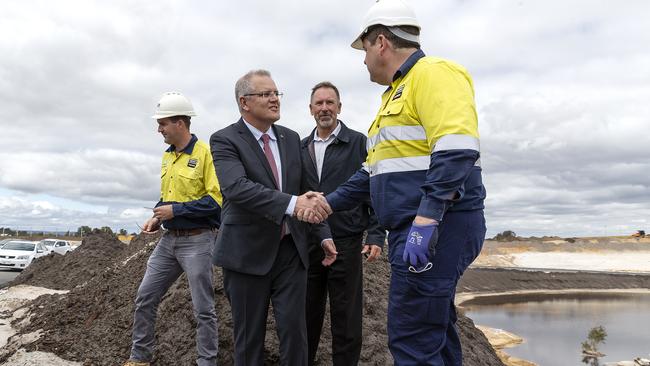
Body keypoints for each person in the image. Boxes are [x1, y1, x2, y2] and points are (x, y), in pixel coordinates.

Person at [320, 1, 487, 364]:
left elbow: (457, 149)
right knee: (434, 331)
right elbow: (373, 172)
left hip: (435, 228)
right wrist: (328, 203)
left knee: (412, 338)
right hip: (415, 229)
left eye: (363, 49)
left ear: (381, 42)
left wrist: (425, 222)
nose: (363, 60)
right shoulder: (395, 94)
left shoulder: (433, 73)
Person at [209, 70, 336, 366]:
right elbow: (237, 188)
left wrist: (324, 234)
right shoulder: (225, 140)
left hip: (291, 252)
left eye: (276, 93)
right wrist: (292, 204)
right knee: (249, 339)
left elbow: (308, 191)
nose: (274, 99)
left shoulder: (291, 139)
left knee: (295, 335)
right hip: (246, 255)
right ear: (244, 102)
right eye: (265, 94)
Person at [124, 92, 222, 366]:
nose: (159, 130)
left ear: (181, 123)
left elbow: (216, 201)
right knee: (145, 297)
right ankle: (140, 358)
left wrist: (175, 210)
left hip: (198, 241)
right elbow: (168, 197)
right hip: (169, 241)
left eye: (163, 123)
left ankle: (207, 362)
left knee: (203, 309)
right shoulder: (167, 157)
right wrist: (158, 215)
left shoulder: (206, 154)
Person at [301, 81, 386, 365]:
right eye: (319, 103)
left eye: (330, 102)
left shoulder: (359, 142)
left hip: (347, 240)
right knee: (306, 314)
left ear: (339, 107)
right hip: (309, 240)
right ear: (311, 109)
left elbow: (375, 187)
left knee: (346, 317)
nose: (324, 108)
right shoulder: (300, 148)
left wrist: (375, 234)